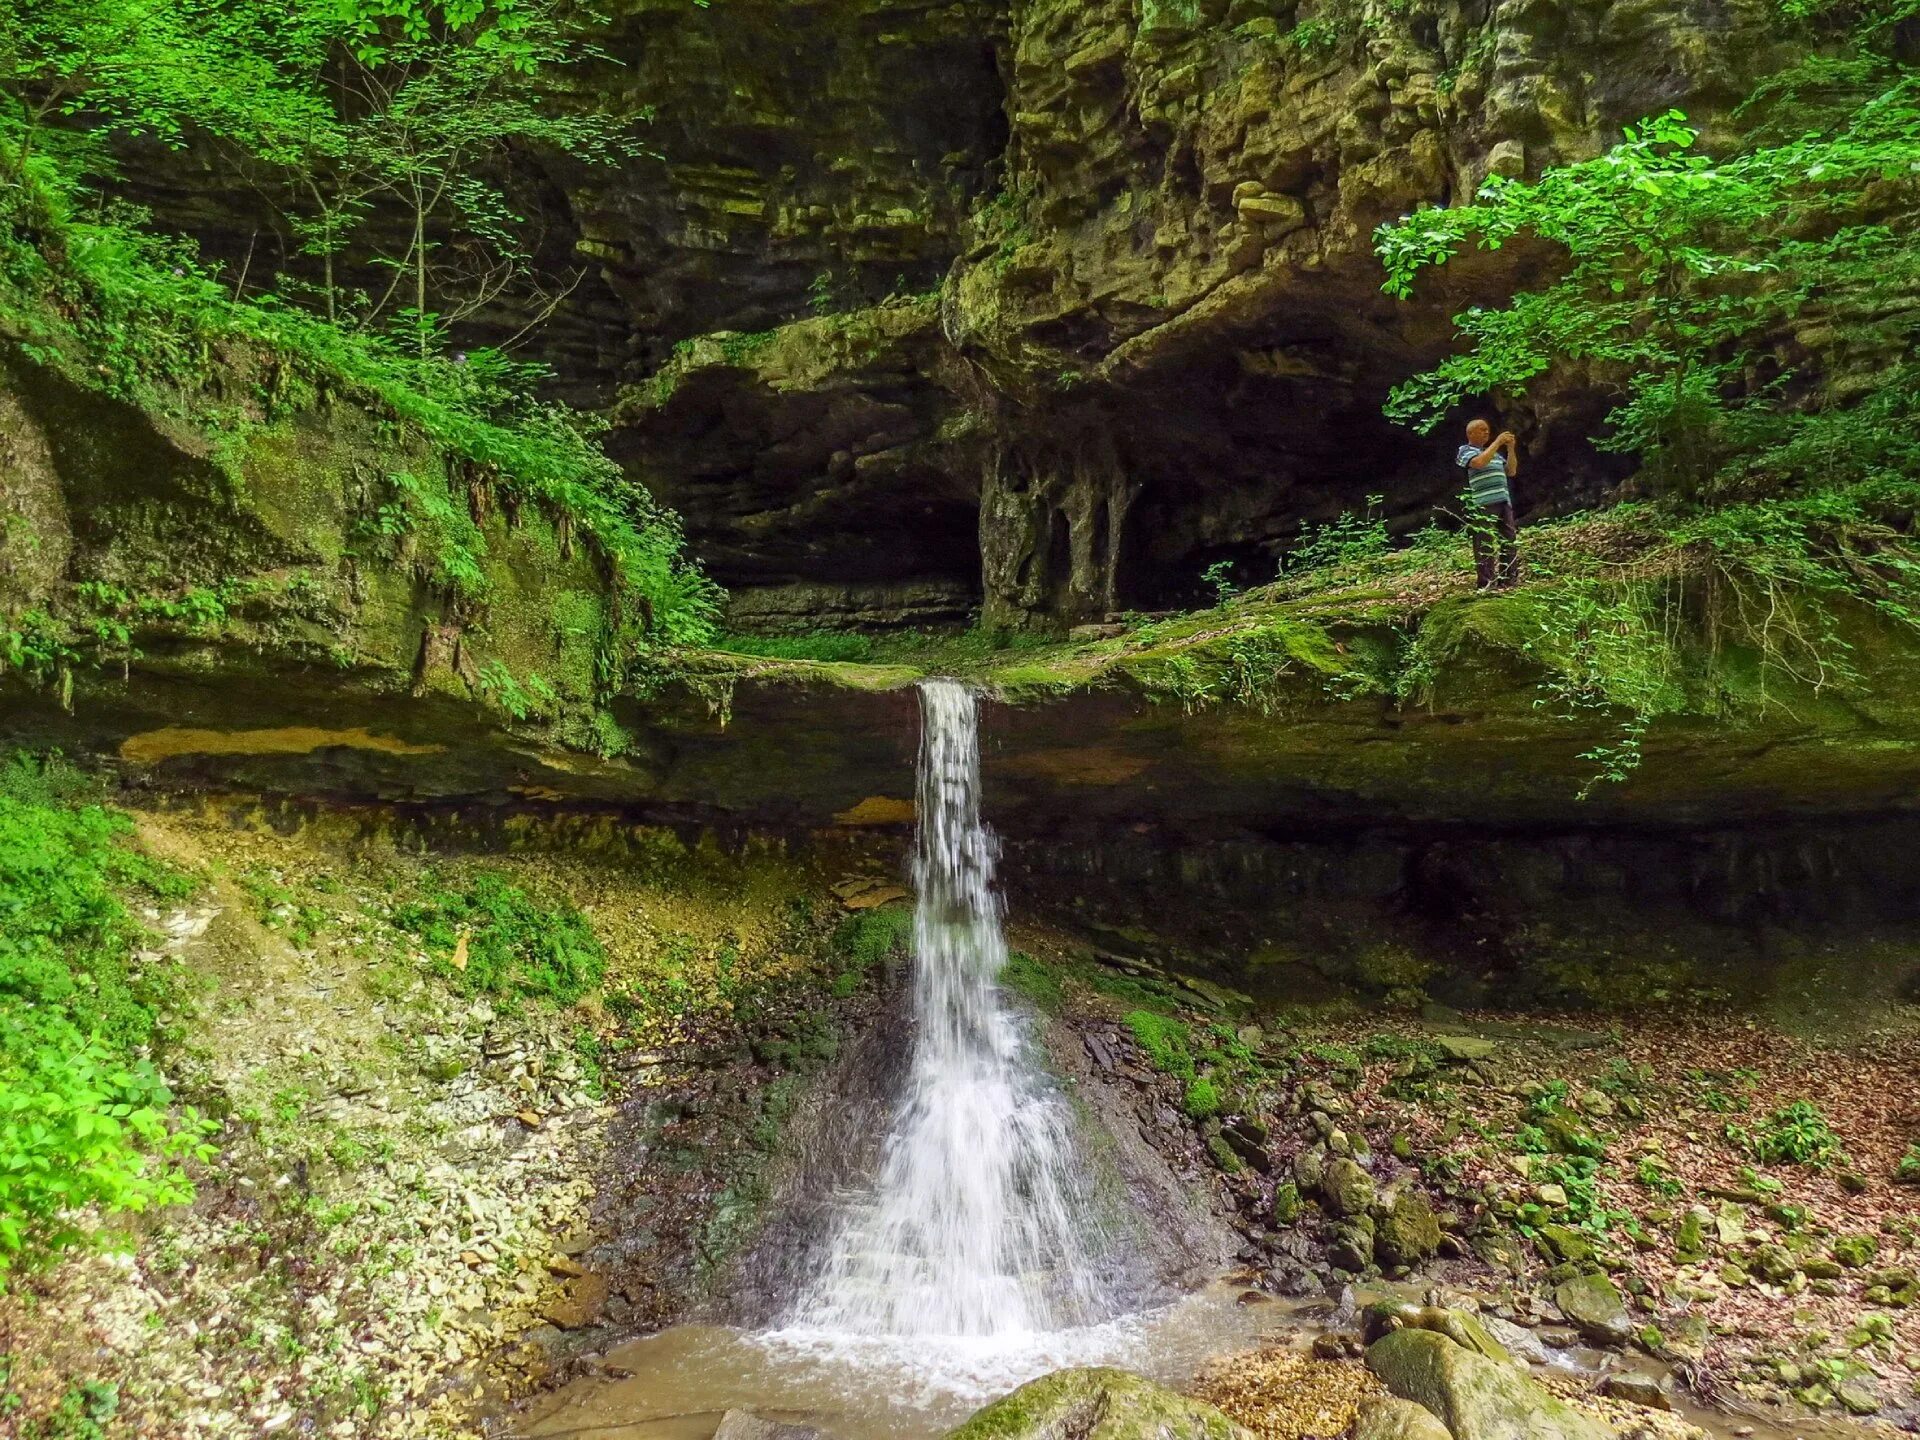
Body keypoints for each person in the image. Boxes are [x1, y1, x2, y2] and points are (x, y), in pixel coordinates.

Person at [1456, 418, 1520, 589]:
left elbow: (1511, 471)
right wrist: (1498, 442)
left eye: (1487, 430)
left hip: (1503, 501)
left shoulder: (1494, 454)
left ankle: (1508, 580)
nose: (1486, 432)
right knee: (1484, 540)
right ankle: (1486, 582)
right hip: (1483, 502)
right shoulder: (1465, 450)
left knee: (1509, 539)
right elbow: (1478, 463)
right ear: (1470, 433)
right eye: (1482, 429)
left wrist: (1510, 448)